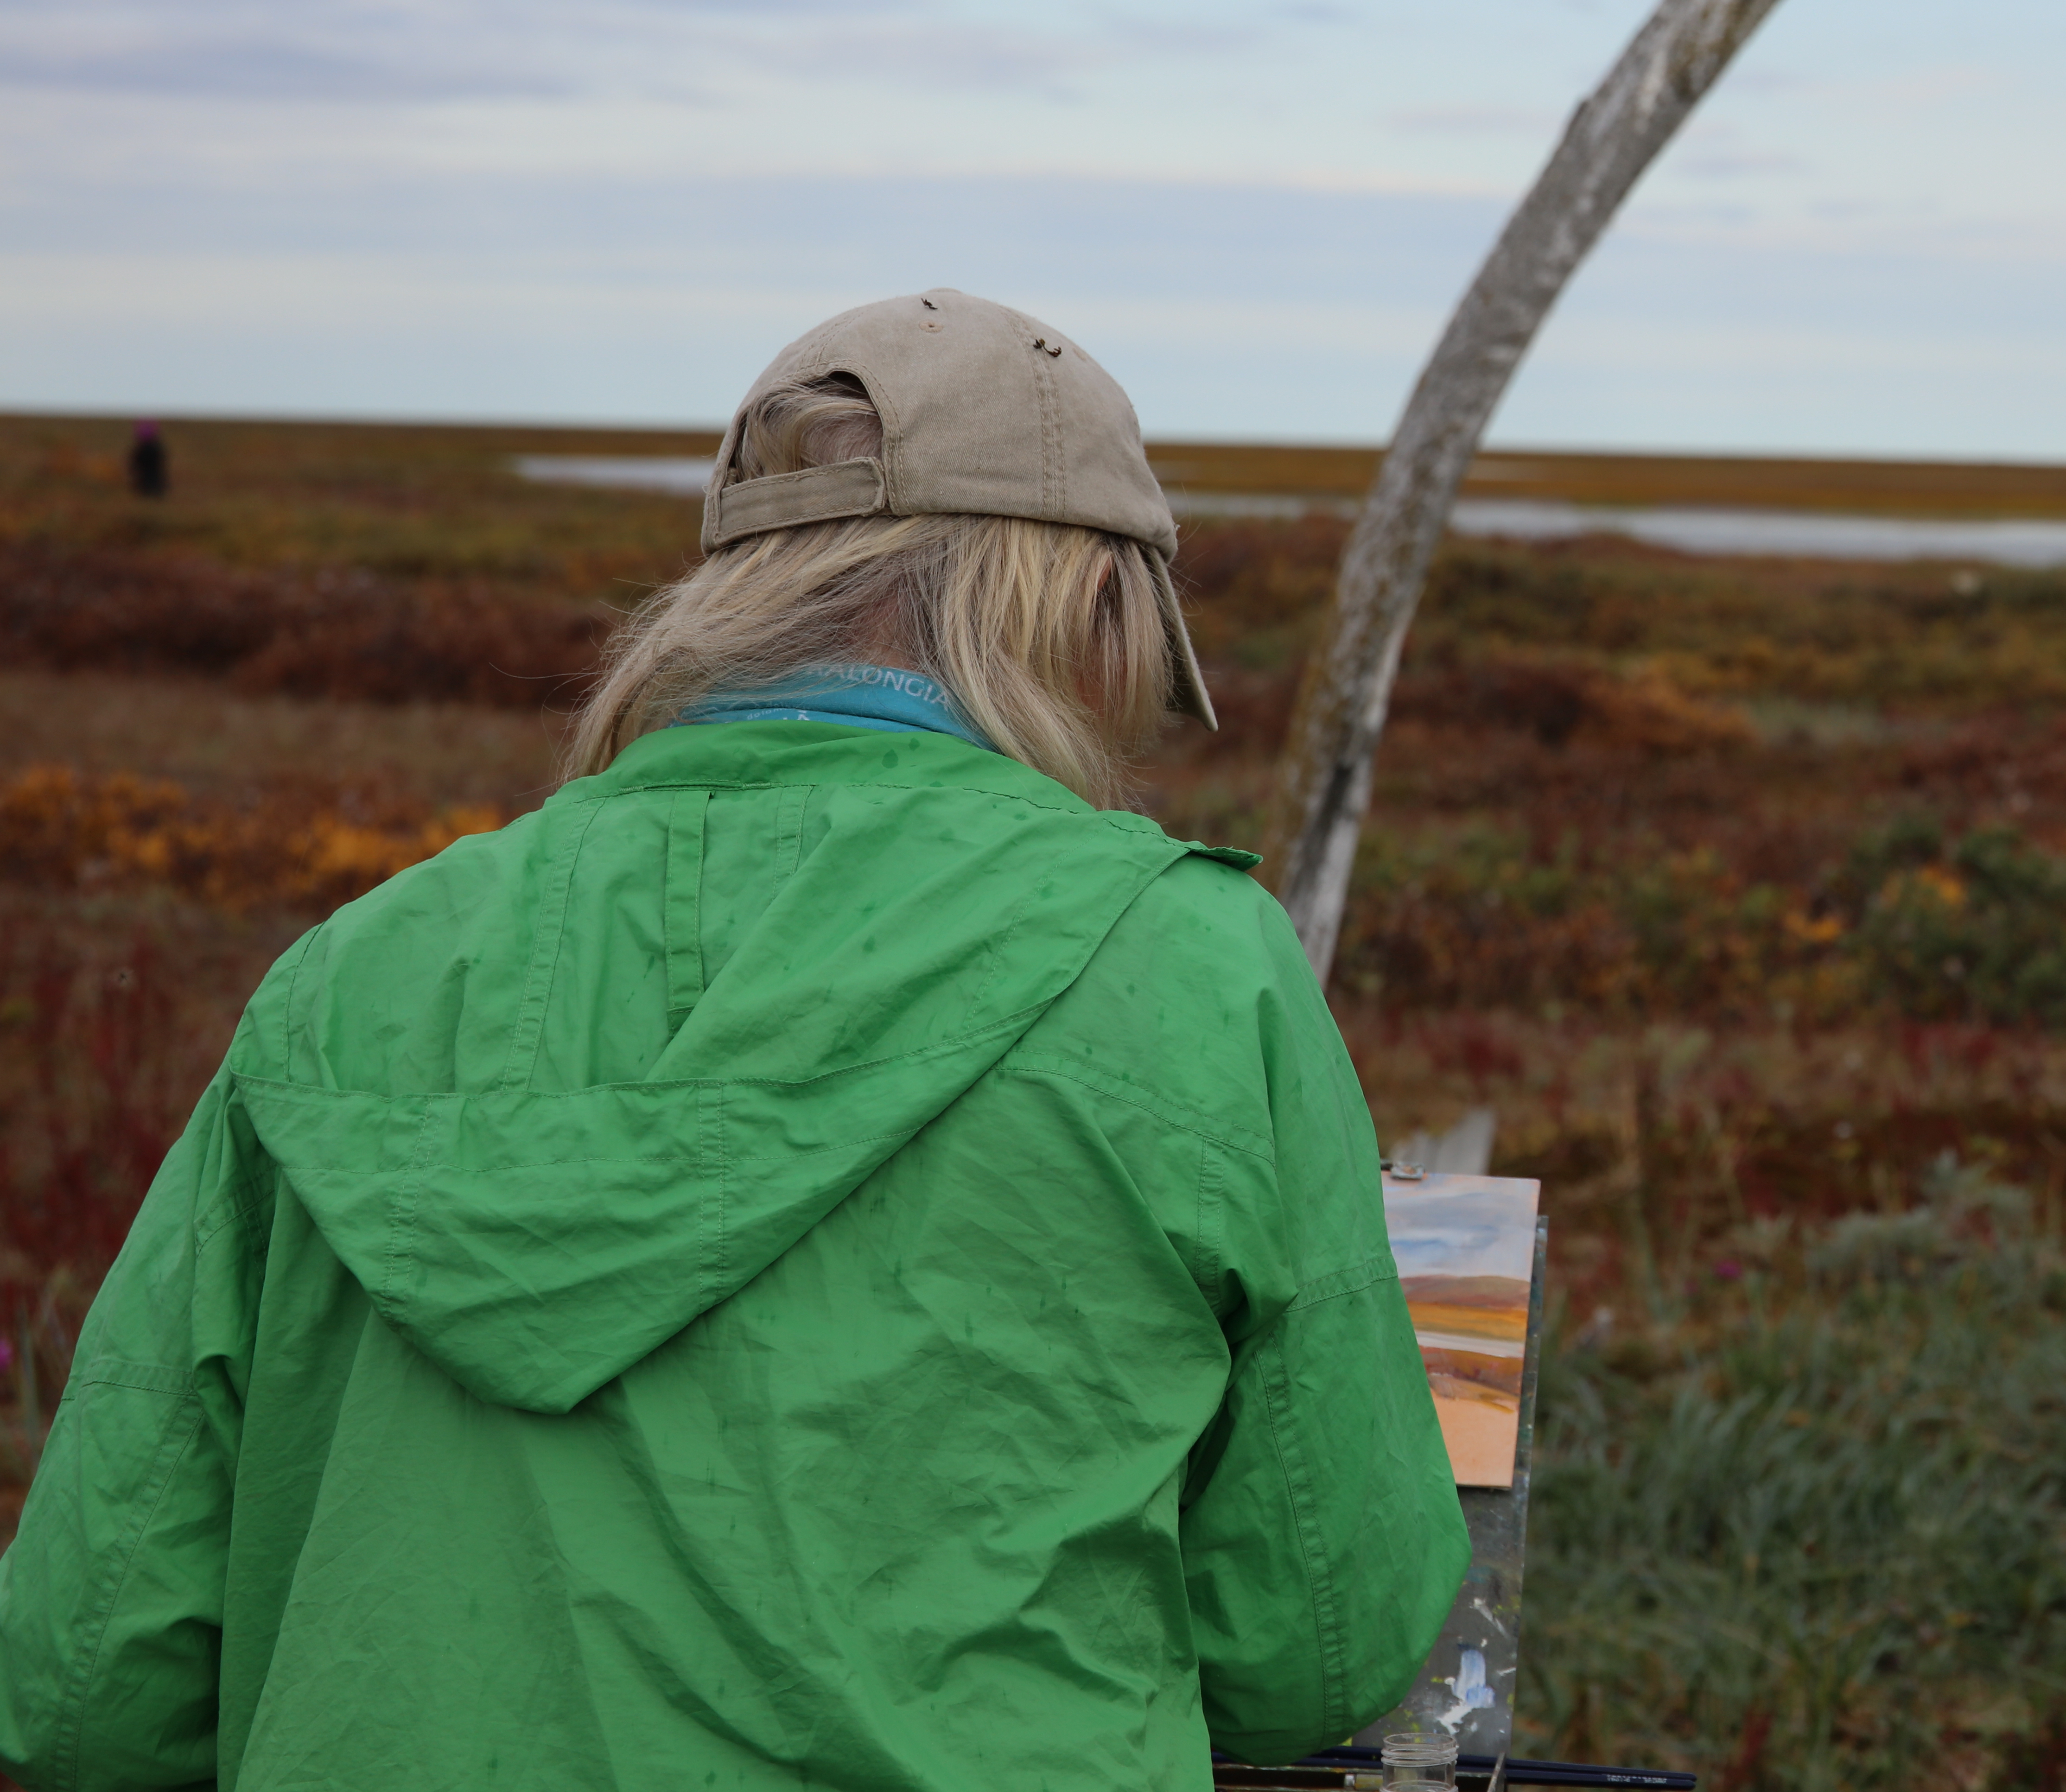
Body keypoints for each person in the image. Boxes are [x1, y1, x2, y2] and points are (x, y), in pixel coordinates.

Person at [0, 291, 1468, 1789]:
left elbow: (81, 1688)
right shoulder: (1193, 968)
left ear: (737, 587)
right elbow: (1317, 1647)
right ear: (1092, 613)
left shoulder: (349, 977)